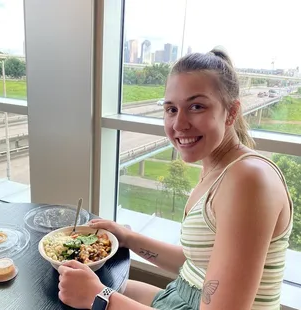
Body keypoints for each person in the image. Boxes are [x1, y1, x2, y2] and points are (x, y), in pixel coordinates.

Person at [58, 48, 293, 310]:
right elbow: (197, 262)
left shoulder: (249, 180)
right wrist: (128, 238)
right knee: (72, 288)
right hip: (183, 296)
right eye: (171, 109)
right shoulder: (217, 170)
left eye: (196, 106)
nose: (179, 124)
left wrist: (101, 299)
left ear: (231, 112)